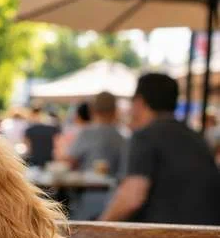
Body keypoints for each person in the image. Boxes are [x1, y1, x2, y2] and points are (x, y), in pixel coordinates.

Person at [101, 73, 220, 224]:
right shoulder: (196, 137)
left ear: (139, 102)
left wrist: (99, 225)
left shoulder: (145, 136)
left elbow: (132, 198)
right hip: (208, 237)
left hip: (166, 237)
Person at [66, 92, 125, 220]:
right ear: (115, 110)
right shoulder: (123, 136)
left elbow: (70, 161)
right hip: (115, 200)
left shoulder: (86, 133)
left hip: (87, 199)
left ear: (93, 110)